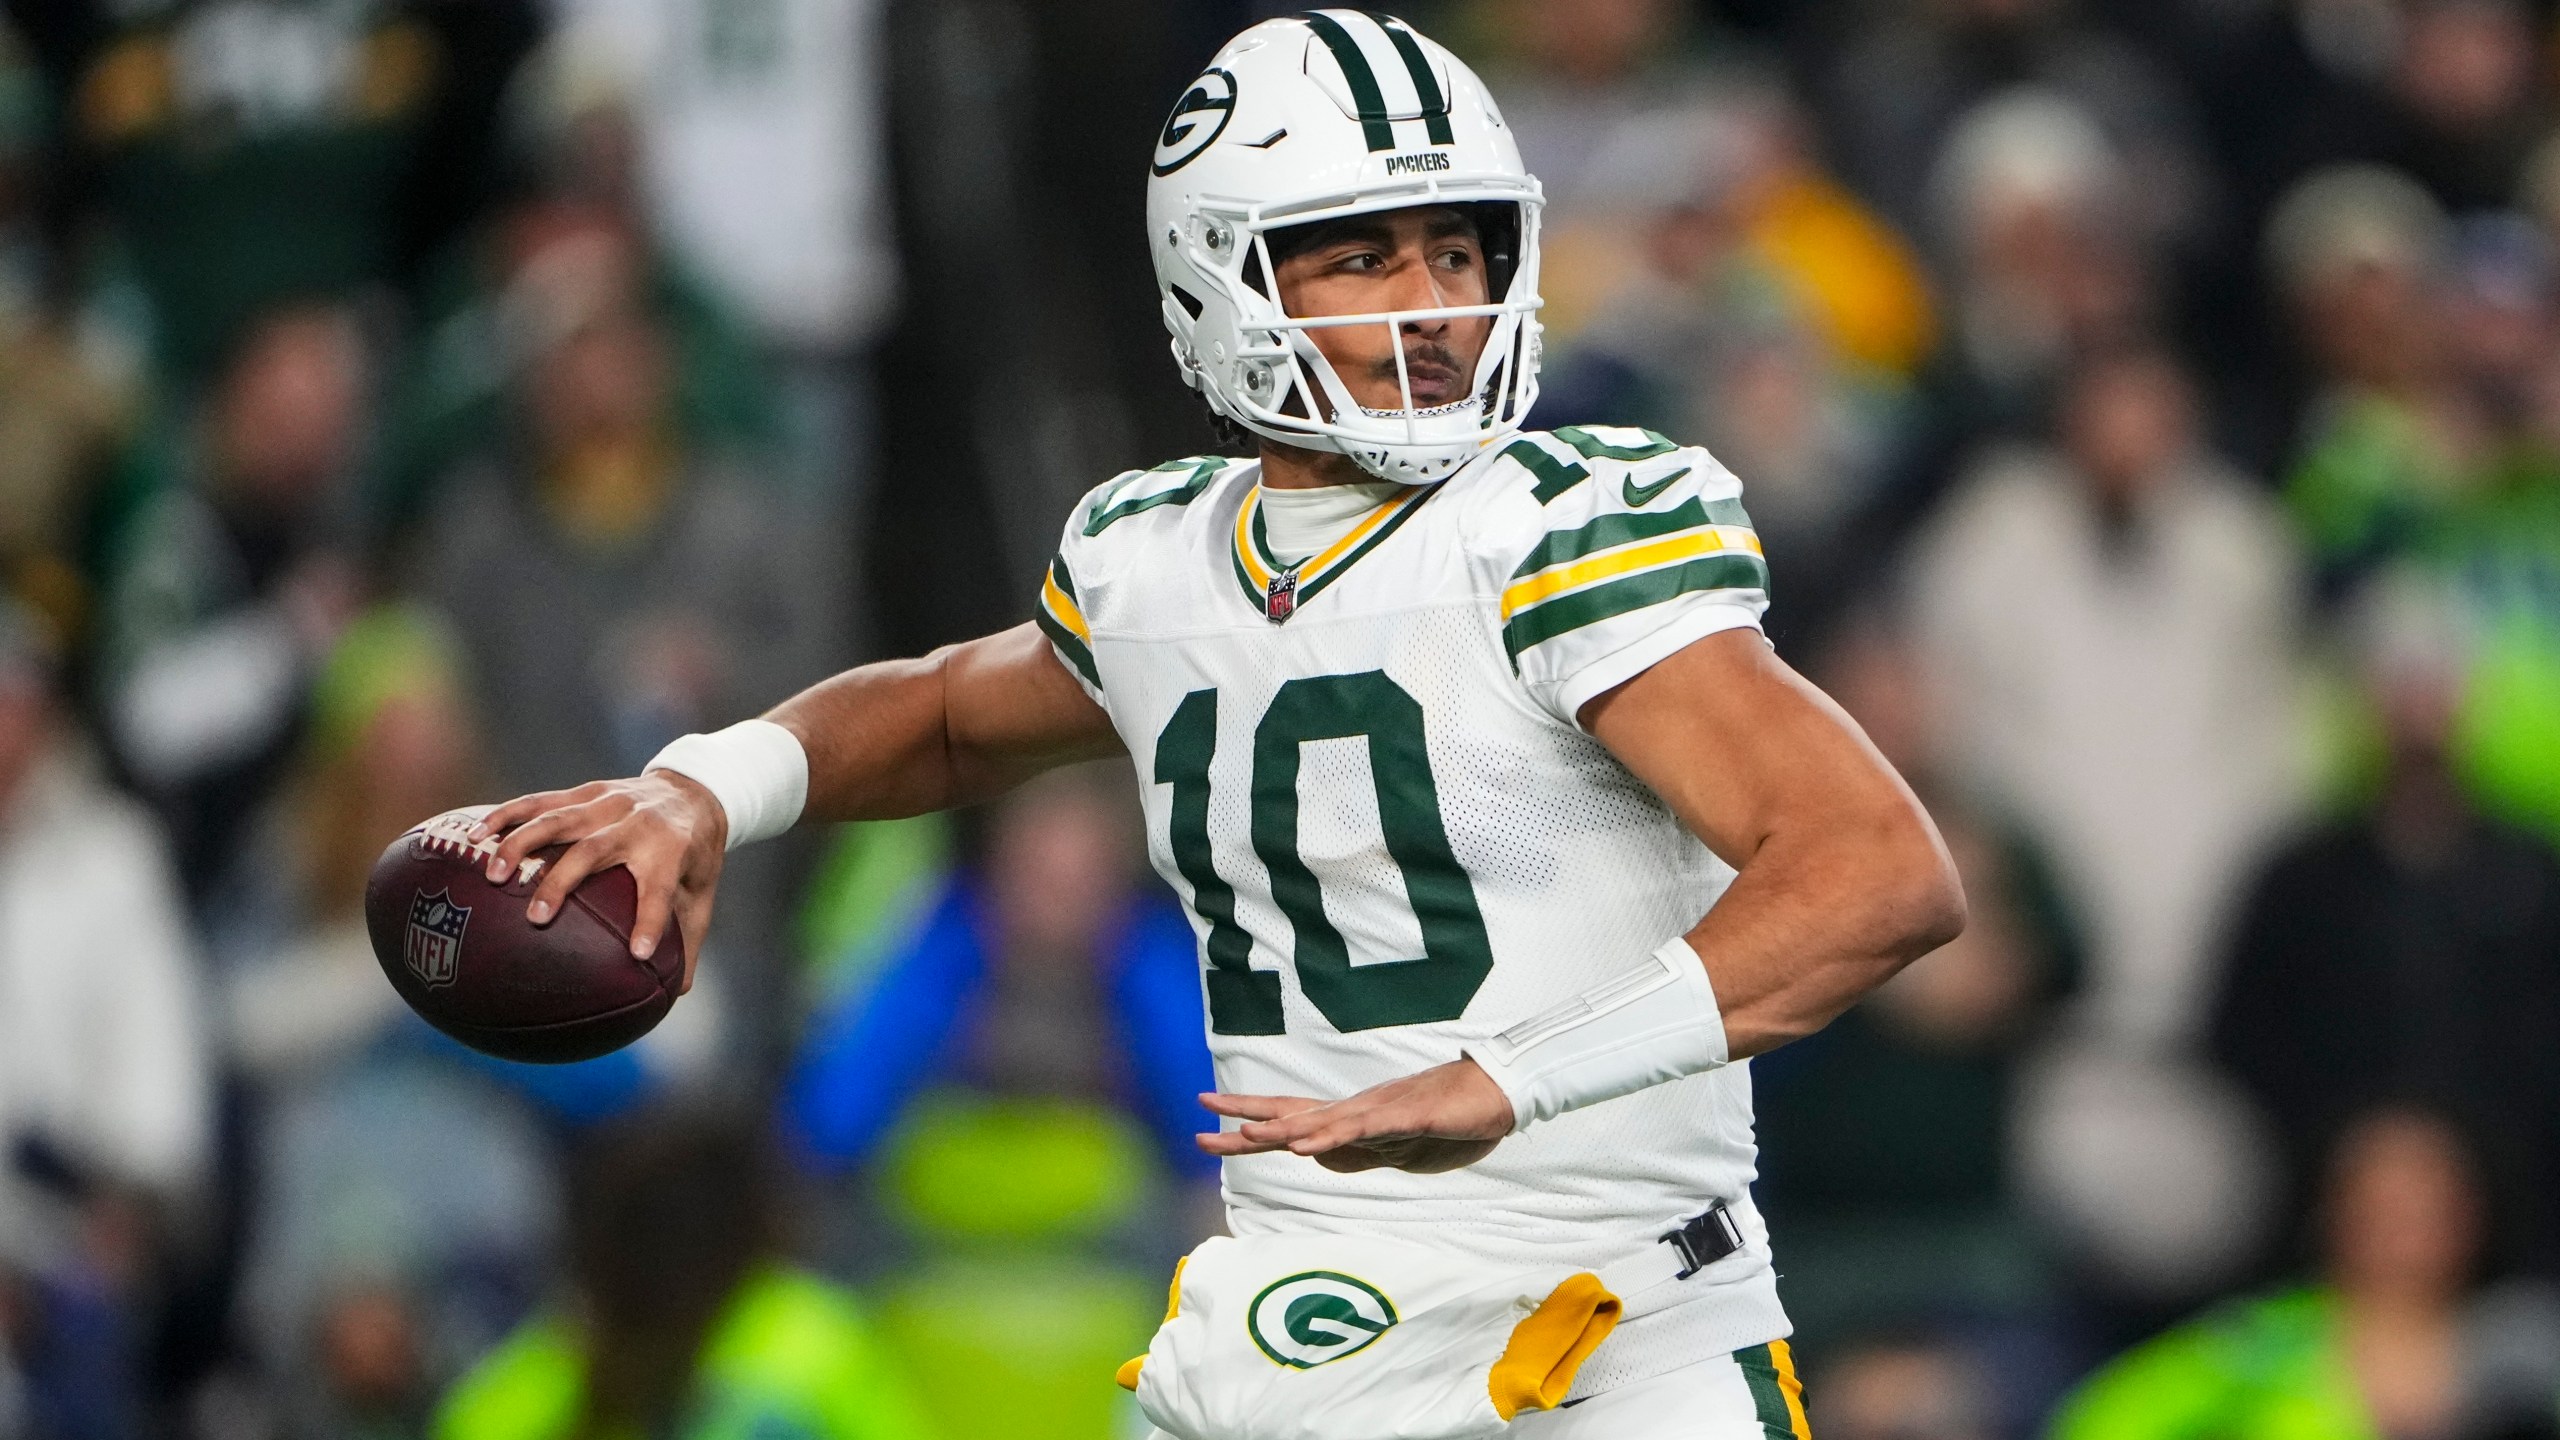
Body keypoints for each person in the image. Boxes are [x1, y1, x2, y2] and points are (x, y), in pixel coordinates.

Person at [471, 12, 1964, 1435]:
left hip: (1605, 1330)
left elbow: (1874, 874)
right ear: (1218, 280)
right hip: (1289, 1327)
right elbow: (938, 716)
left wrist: (1514, 1077)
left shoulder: (1562, 530)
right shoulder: (1155, 561)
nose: (1432, 302)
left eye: (1458, 247)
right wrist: (708, 787)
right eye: (1364, 259)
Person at [2051, 1107, 2560, 1440]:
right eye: (2381, 1209)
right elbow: (2101, 1420)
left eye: (2428, 1209)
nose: (2405, 1233)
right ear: (2336, 1215)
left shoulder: (2524, 1346)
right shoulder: (2264, 1345)